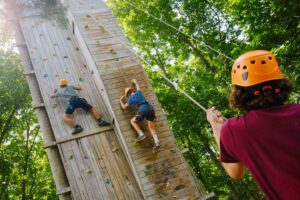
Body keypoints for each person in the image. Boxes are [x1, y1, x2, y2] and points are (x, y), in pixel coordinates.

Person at [206, 50, 300, 199]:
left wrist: (217, 128)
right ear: (280, 83)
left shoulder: (233, 129)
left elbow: (235, 172)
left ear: (239, 93)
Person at [119, 79, 160, 151]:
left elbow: (124, 107)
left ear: (127, 95)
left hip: (143, 109)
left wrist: (120, 101)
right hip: (150, 108)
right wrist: (135, 82)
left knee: (133, 121)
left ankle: (141, 134)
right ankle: (157, 142)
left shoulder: (130, 99)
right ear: (132, 91)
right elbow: (137, 86)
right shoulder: (138, 92)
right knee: (151, 128)